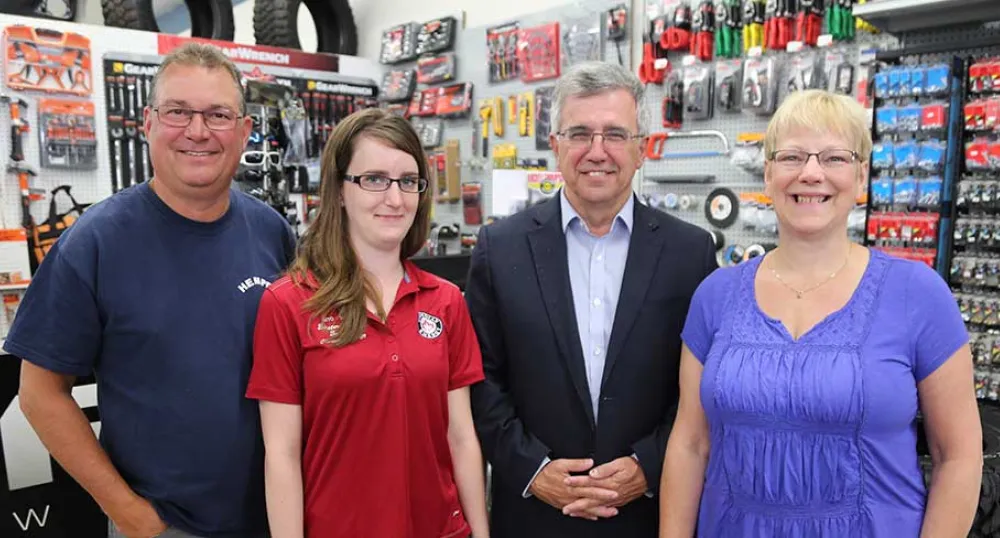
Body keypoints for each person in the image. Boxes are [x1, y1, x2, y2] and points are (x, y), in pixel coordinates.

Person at [659, 89, 983, 537]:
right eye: (792, 157)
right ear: (768, 174)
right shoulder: (715, 296)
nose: (811, 174)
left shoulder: (918, 295)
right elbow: (691, 445)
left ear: (862, 176)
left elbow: (960, 456)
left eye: (834, 158)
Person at [7, 43, 296, 538]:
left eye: (218, 114)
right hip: (166, 527)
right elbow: (39, 394)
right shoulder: (94, 242)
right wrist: (131, 515)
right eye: (178, 112)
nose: (198, 131)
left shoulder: (273, 232)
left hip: (278, 514)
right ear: (148, 123)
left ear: (245, 131)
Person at [466, 61, 718, 537]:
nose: (597, 151)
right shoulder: (499, 249)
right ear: (555, 144)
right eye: (580, 133)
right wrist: (535, 470)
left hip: (649, 516)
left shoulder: (692, 252)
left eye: (615, 135)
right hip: (534, 517)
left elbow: (702, 388)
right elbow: (481, 381)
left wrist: (650, 463)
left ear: (641, 150)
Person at [245, 108, 490, 538]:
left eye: (408, 181)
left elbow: (461, 437)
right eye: (374, 179)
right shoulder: (288, 303)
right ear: (339, 190)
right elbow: (280, 453)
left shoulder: (446, 302)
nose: (395, 199)